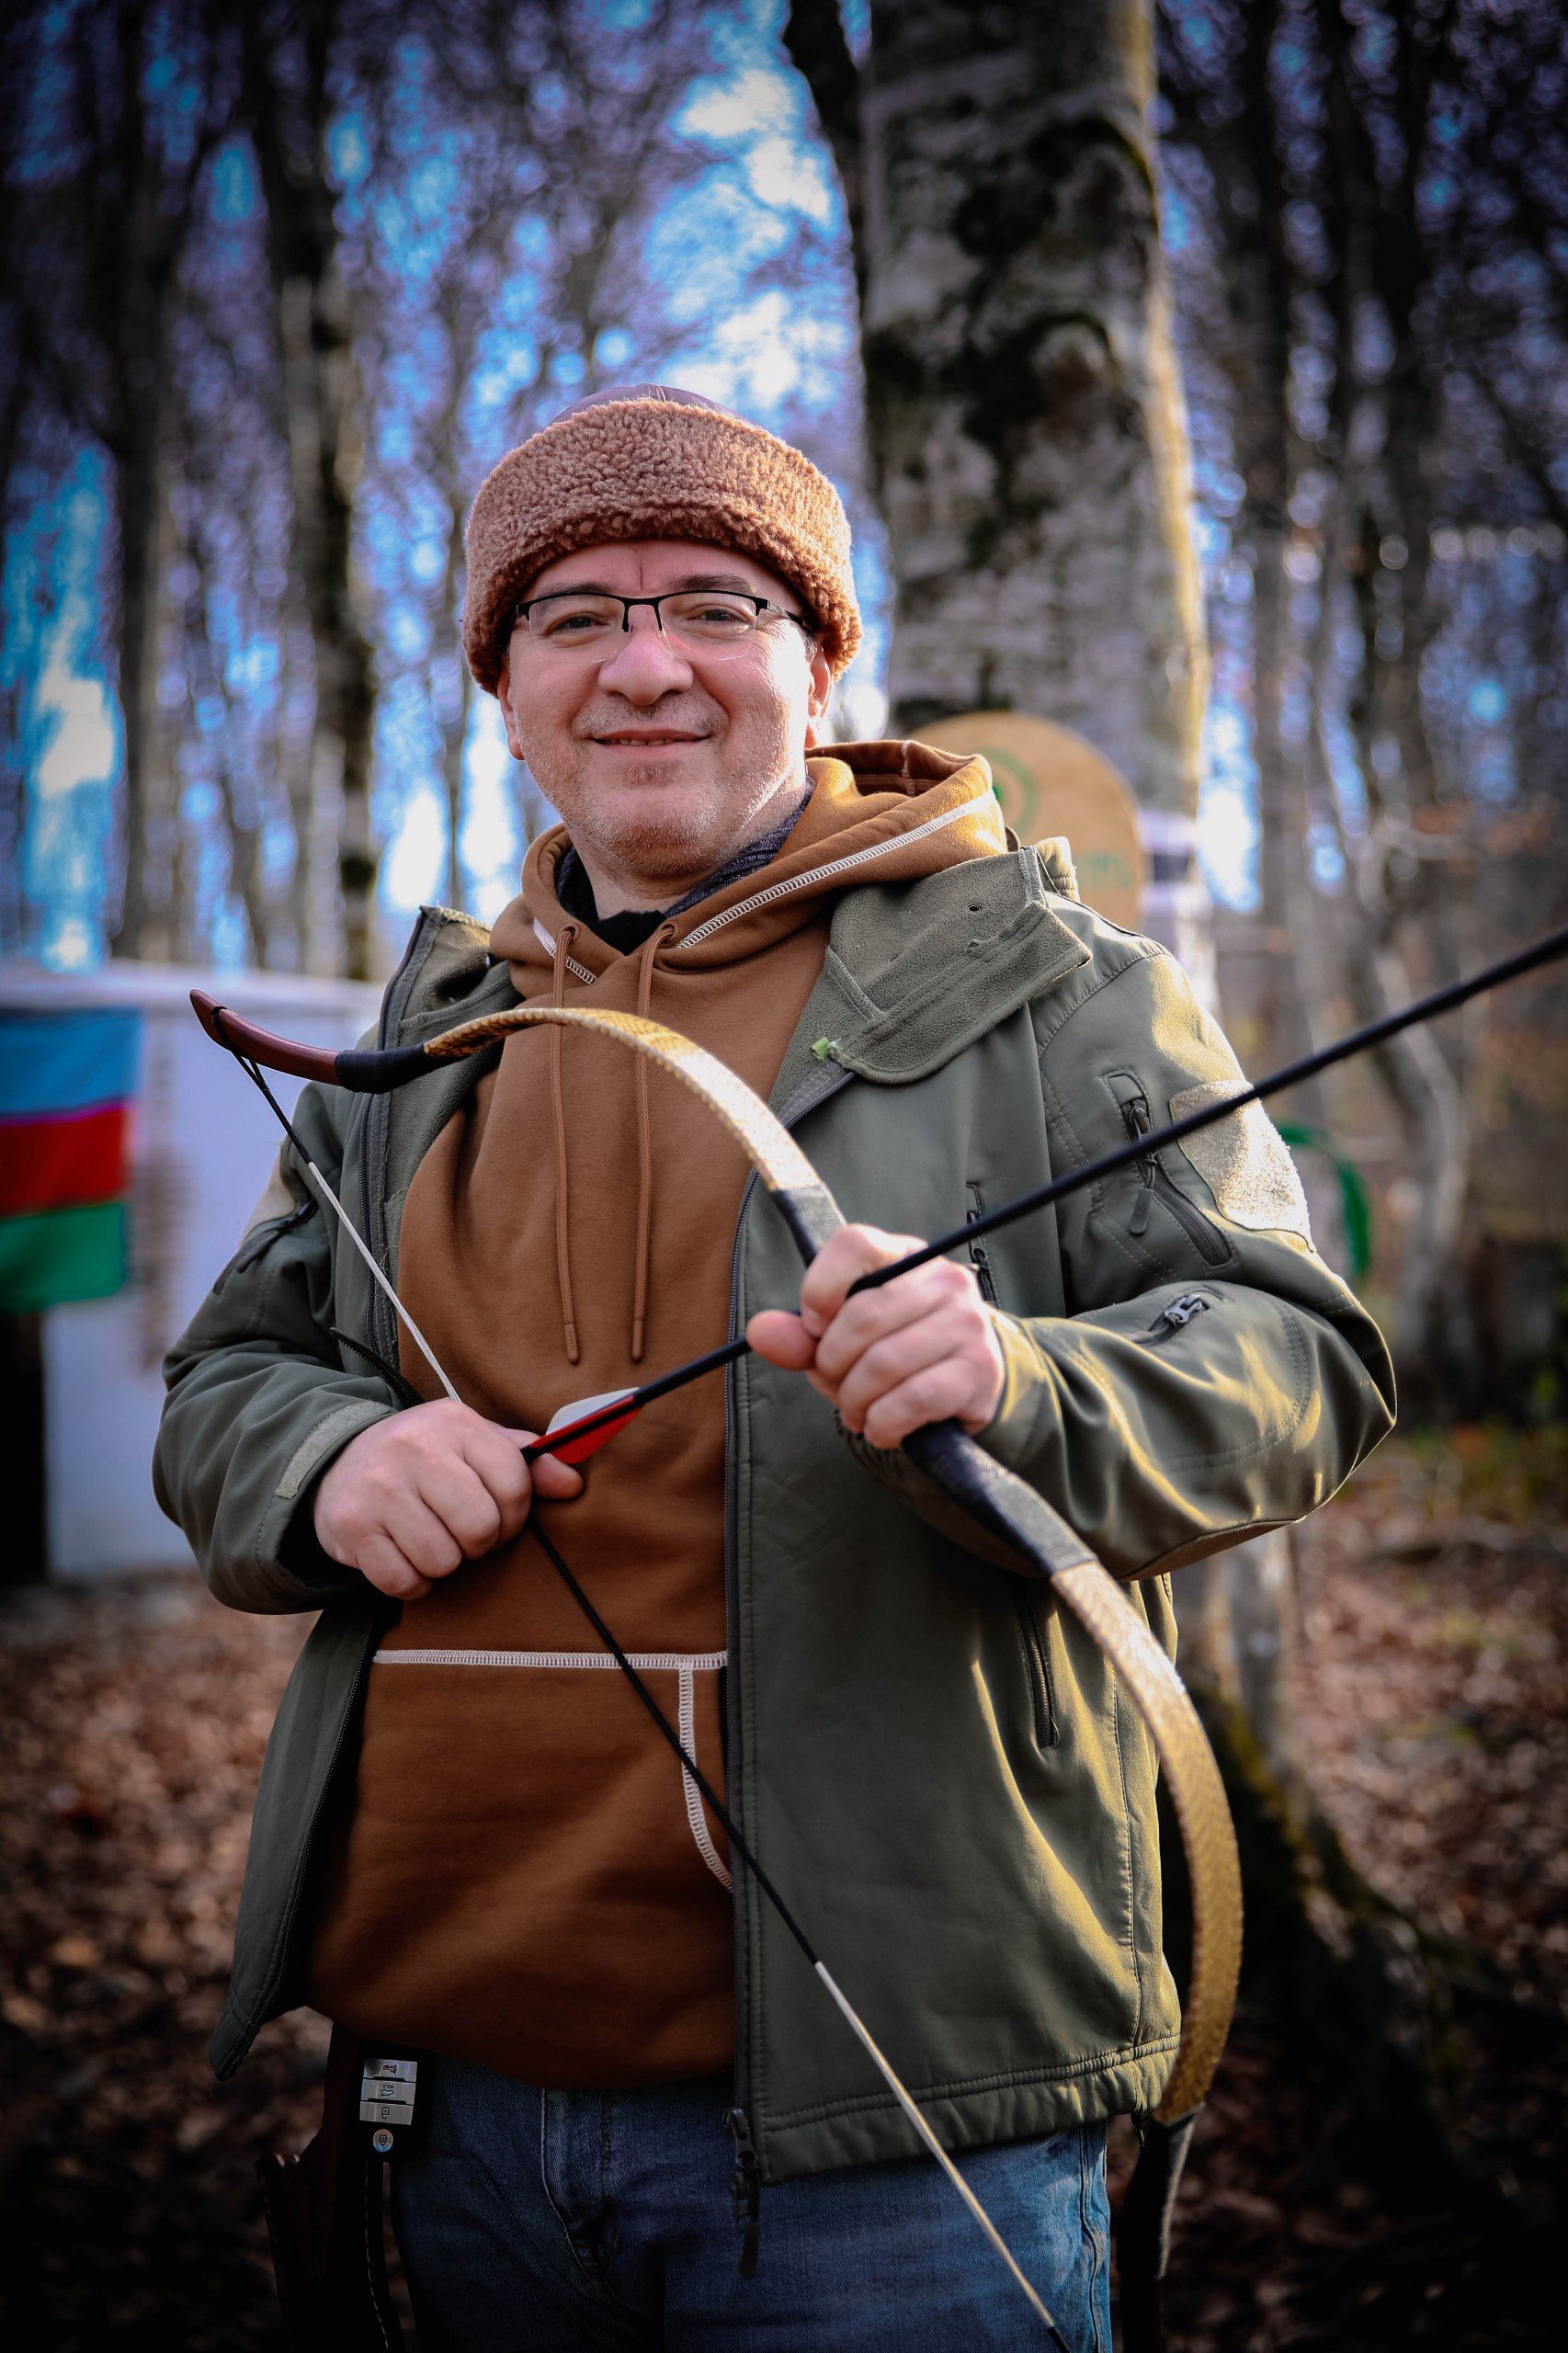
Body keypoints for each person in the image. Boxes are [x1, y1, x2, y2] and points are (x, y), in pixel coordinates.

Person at [154, 385, 1394, 2352]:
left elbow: (1299, 1358)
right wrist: (327, 1463)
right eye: (575, 617)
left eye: (715, 604)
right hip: (444, 2089)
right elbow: (228, 1377)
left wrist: (1020, 1381)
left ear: (817, 663)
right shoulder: (431, 1033)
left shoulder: (1056, 987)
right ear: (507, 690)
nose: (645, 663)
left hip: (899, 2131)